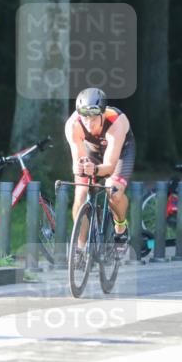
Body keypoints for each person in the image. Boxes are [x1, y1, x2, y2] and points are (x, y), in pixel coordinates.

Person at [64, 87, 135, 256]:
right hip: (92, 151)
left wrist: (95, 169)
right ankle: (80, 248)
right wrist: (80, 167)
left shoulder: (117, 121)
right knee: (80, 193)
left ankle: (121, 227)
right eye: (84, 118)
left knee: (113, 191)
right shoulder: (73, 125)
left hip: (120, 152)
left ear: (102, 114)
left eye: (94, 119)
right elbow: (78, 160)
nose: (88, 123)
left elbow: (109, 166)